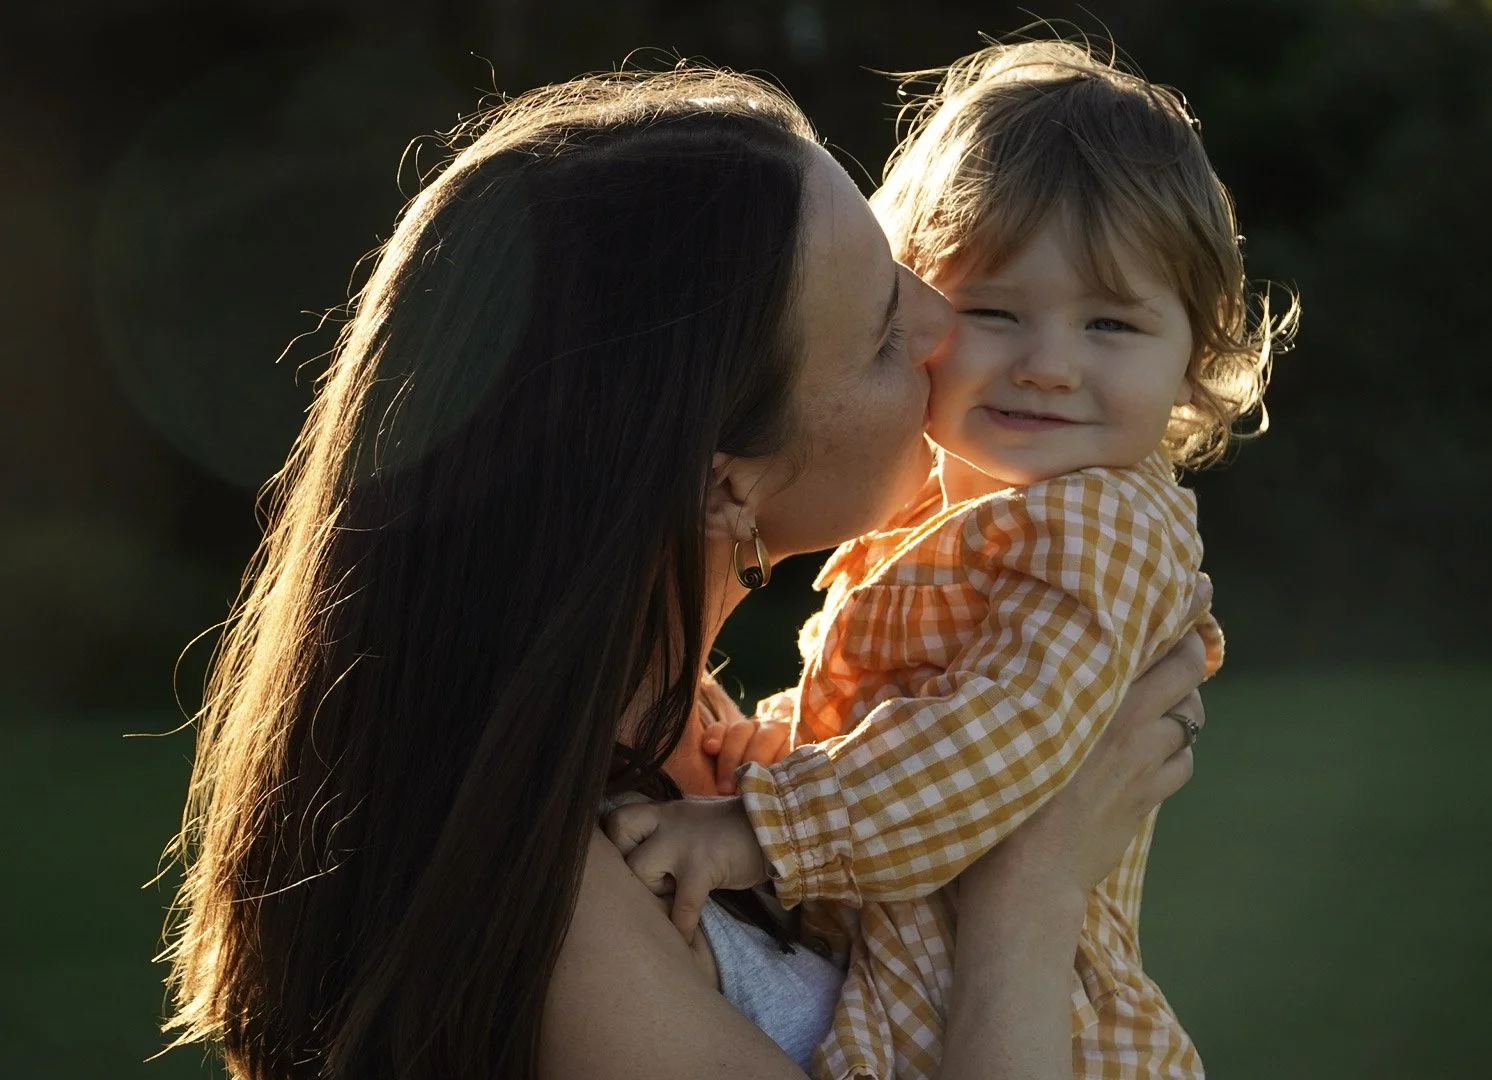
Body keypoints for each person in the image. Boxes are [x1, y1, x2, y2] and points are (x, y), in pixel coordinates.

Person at [160, 64, 1212, 1080]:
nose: (945, 330)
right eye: (888, 328)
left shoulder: (683, 733)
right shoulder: (566, 913)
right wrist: (1025, 900)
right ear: (724, 484)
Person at [608, 41, 1298, 1080]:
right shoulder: (942, 515)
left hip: (1041, 1020)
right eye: (993, 312)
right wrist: (750, 763)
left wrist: (754, 830)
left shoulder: (1102, 526)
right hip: (911, 973)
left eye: (1110, 323)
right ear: (917, 311)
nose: (1049, 364)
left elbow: (999, 734)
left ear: (1192, 360)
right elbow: (877, 715)